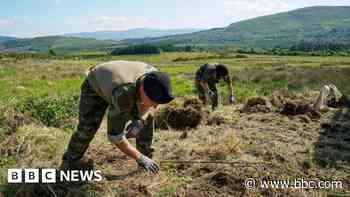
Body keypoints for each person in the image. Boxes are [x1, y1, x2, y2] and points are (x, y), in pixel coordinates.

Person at [60, 60, 174, 174]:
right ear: (142, 90)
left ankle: (147, 162)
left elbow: (151, 106)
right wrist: (139, 157)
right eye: (153, 101)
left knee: (147, 119)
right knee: (88, 127)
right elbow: (115, 137)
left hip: (122, 83)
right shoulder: (124, 94)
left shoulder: (157, 79)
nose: (155, 105)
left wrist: (140, 119)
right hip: (96, 84)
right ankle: (69, 163)